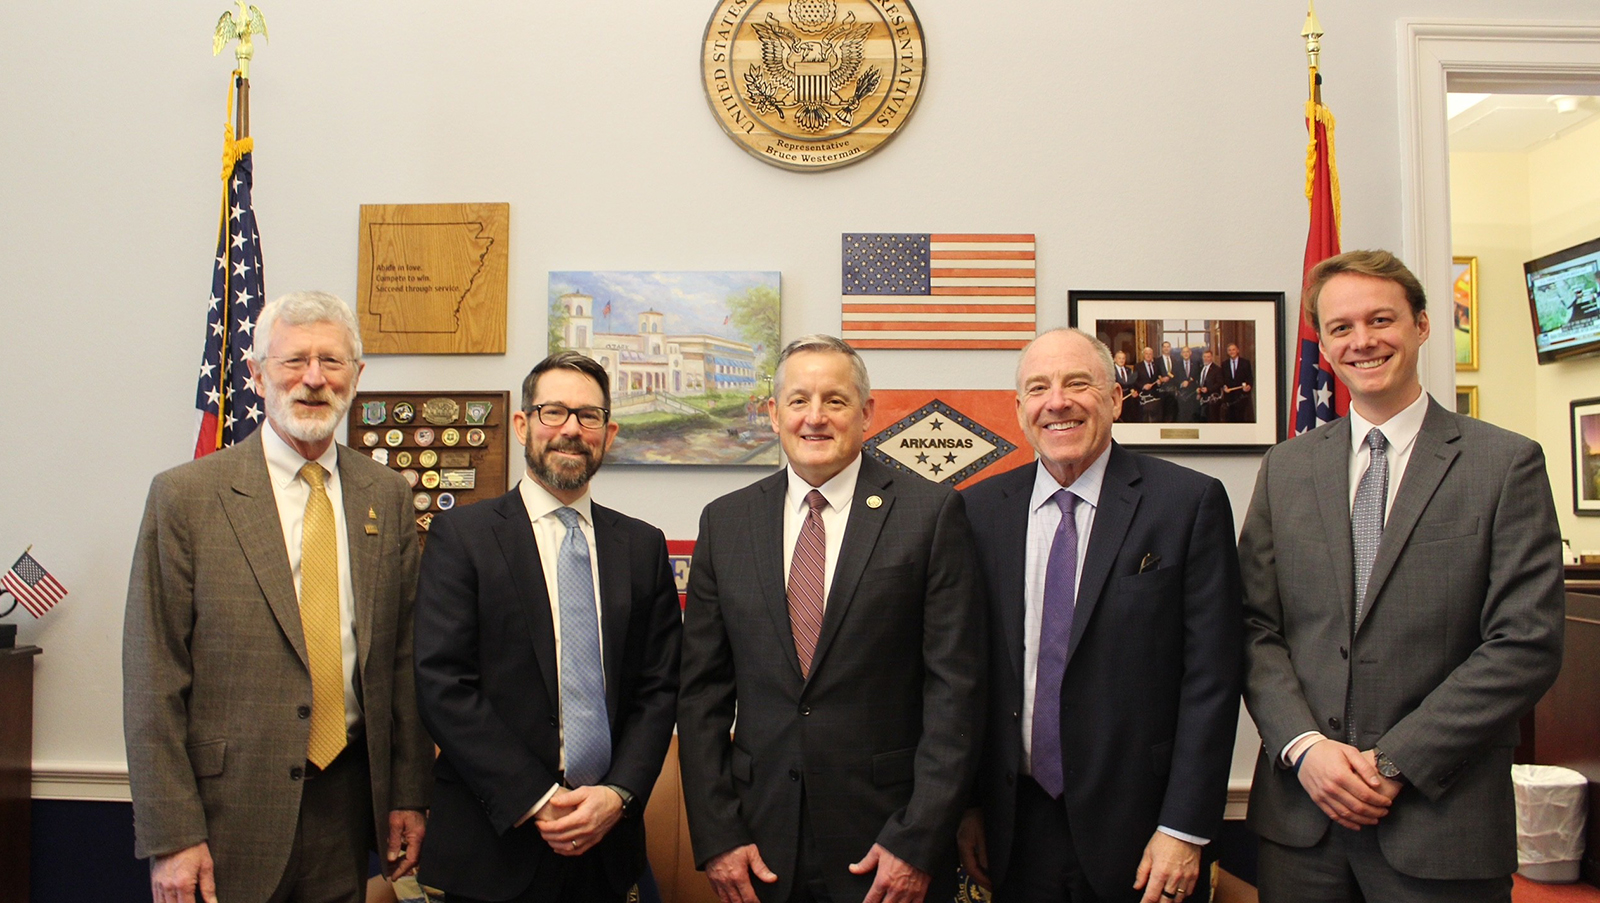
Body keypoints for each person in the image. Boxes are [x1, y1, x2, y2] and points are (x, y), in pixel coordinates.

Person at [1239, 250, 1565, 902]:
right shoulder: (1287, 468)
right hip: (1302, 824)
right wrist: (1307, 747)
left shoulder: (1504, 464)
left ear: (1420, 324)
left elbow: (1524, 642)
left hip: (1442, 823)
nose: (1362, 340)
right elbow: (1254, 626)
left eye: (1381, 318)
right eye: (1341, 327)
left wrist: (1395, 761)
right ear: (1324, 345)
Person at [124, 291, 432, 903]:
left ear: (357, 376)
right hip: (221, 817)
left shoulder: (387, 496)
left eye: (332, 361)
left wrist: (408, 793)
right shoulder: (186, 497)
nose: (313, 379)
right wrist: (172, 836)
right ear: (256, 372)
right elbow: (152, 677)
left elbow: (401, 662)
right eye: (294, 361)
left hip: (344, 811)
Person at [679, 334, 986, 903]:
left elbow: (956, 694)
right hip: (758, 843)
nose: (814, 418)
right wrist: (718, 834)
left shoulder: (931, 514)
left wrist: (917, 841)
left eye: (835, 401)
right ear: (773, 414)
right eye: (798, 401)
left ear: (866, 413)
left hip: (886, 842)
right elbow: (701, 695)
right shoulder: (726, 522)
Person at [957, 328, 1243, 903]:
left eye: (1077, 383)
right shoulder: (976, 510)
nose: (1056, 401)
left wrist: (1183, 828)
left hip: (1144, 830)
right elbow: (961, 674)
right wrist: (965, 806)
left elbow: (1213, 678)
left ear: (1115, 400)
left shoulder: (1187, 504)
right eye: (1038, 388)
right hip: (1014, 823)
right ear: (1019, 411)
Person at [413, 351, 682, 903]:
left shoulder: (641, 545)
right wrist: (537, 798)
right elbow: (442, 683)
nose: (570, 431)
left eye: (588, 417)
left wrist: (618, 794)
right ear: (522, 425)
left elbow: (659, 689)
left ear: (609, 433)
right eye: (553, 412)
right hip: (494, 845)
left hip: (608, 845)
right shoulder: (461, 536)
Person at [1219, 343, 1253, 422]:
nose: (1232, 352)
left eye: (1233, 349)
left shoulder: (1245, 363)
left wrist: (1249, 386)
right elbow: (1222, 379)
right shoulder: (1224, 364)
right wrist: (1224, 387)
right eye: (1229, 350)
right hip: (1229, 397)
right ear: (1227, 352)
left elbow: (1250, 378)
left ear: (1238, 350)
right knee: (1230, 420)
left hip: (1241, 397)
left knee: (1241, 419)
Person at [1136, 347, 1165, 423]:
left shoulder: (1156, 366)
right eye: (1146, 354)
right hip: (1144, 398)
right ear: (1143, 355)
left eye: (1150, 354)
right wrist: (1143, 386)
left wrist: (1159, 382)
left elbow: (1159, 378)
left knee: (1156, 419)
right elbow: (1135, 381)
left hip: (1155, 398)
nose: (1148, 355)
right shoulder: (1138, 366)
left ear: (1152, 355)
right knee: (1145, 419)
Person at [1172, 346, 1200, 422]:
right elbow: (1173, 379)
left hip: (1193, 394)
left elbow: (1198, 378)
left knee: (1192, 416)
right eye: (1184, 352)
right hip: (1181, 395)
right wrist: (1181, 384)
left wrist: (1198, 390)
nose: (1186, 354)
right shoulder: (1176, 364)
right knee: (1182, 415)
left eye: (1187, 351)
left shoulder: (1196, 364)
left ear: (1190, 353)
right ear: (1181, 354)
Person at [1112, 350, 1140, 424]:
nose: (1121, 360)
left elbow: (1132, 384)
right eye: (1119, 358)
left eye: (1123, 358)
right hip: (1117, 401)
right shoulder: (1111, 371)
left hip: (1128, 402)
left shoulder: (1129, 370)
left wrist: (1133, 390)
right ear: (1114, 359)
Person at [1196, 350, 1223, 423]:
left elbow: (1220, 383)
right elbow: (1200, 382)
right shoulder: (1201, 368)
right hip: (1203, 400)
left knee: (1212, 421)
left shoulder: (1217, 369)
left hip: (1212, 401)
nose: (1206, 359)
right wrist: (1199, 391)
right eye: (1204, 357)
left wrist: (1208, 389)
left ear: (1211, 357)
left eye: (1208, 357)